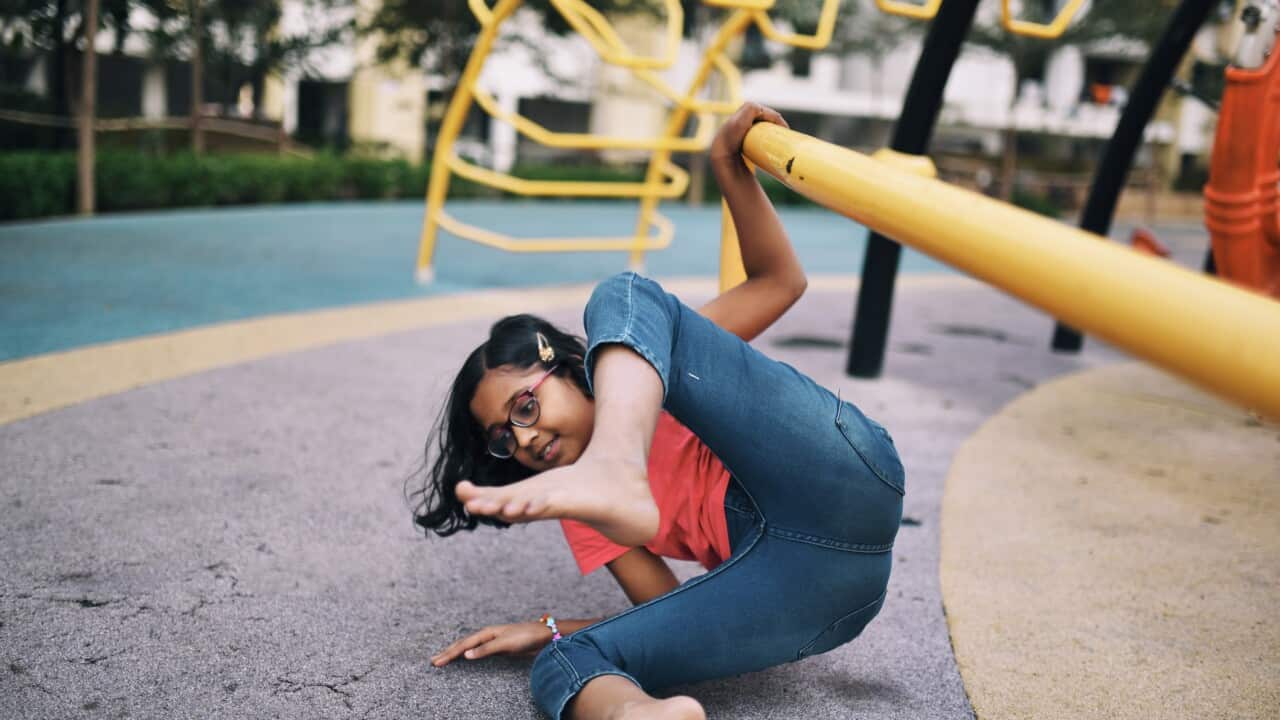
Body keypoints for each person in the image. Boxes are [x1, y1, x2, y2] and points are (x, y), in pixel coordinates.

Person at [415, 102, 905, 720]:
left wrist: (729, 167)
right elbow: (667, 611)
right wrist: (550, 628)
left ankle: (619, 461)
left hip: (831, 475)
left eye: (526, 405)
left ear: (563, 362)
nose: (526, 437)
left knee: (623, 294)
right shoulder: (583, 509)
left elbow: (781, 282)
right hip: (811, 595)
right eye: (503, 439)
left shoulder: (651, 359)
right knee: (566, 662)